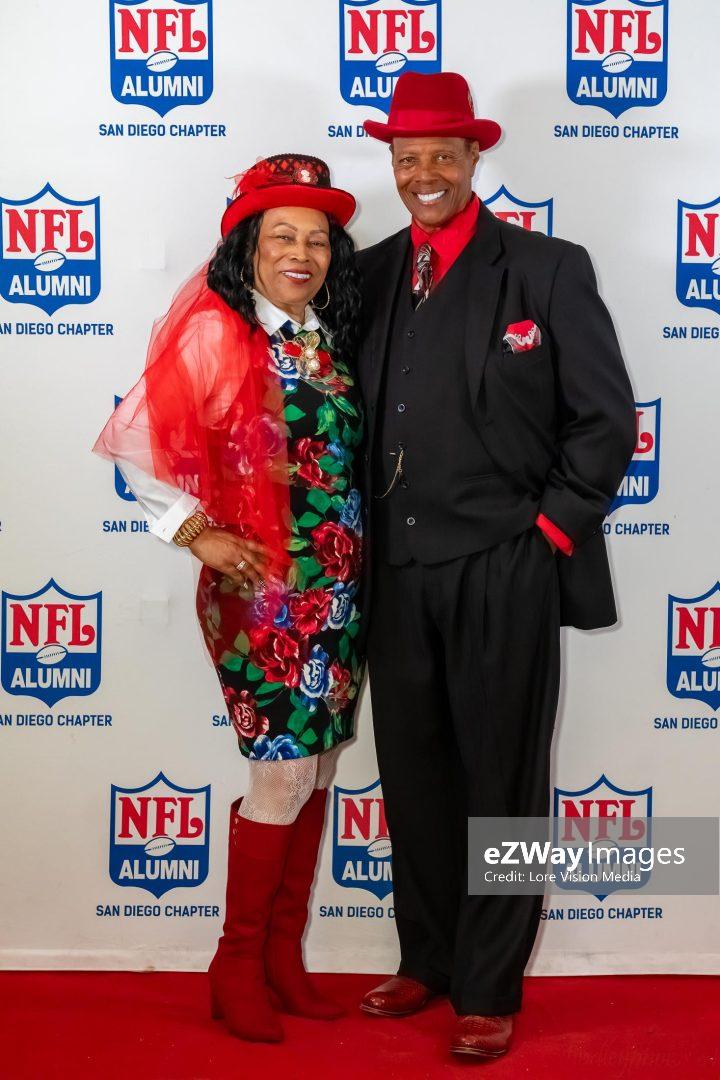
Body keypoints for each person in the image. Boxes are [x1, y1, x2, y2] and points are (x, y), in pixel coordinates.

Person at [355, 72, 636, 1059]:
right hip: (395, 568)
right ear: (392, 166)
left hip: (506, 560)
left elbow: (605, 420)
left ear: (475, 158)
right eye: (408, 158)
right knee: (414, 773)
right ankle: (429, 959)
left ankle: (488, 985)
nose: (424, 173)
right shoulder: (369, 274)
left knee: (503, 779)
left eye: (443, 154)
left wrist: (548, 532)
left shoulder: (547, 268)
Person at [93, 154, 365, 1044]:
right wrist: (195, 532)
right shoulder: (218, 331)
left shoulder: (325, 333)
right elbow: (136, 446)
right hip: (263, 595)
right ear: (248, 245)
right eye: (282, 235)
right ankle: (236, 963)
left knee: (316, 767)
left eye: (316, 239)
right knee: (281, 772)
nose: (301, 253)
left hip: (338, 592)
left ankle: (283, 957)